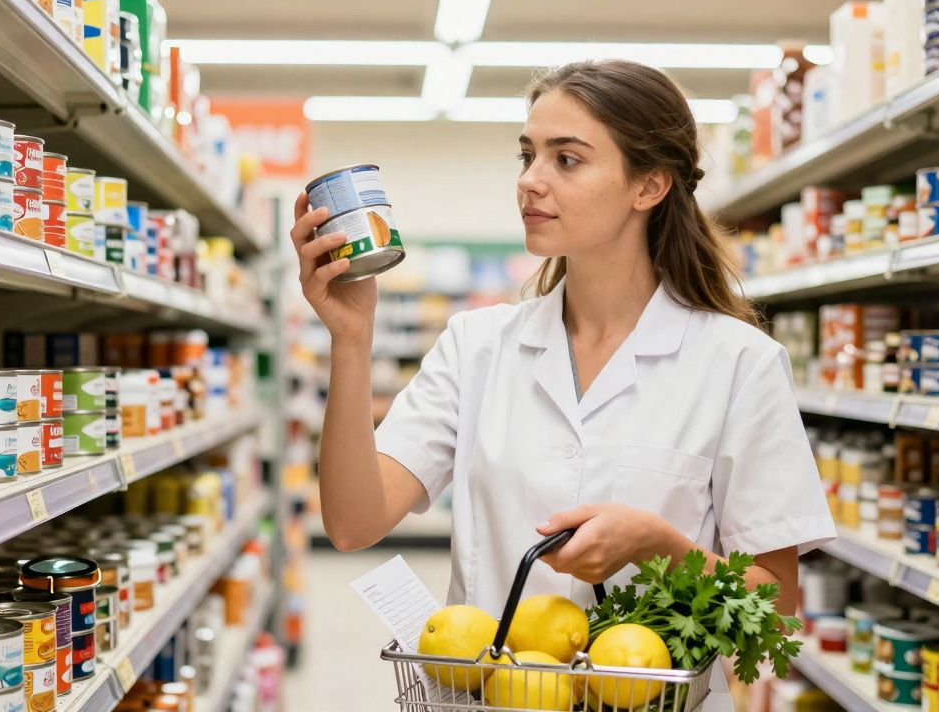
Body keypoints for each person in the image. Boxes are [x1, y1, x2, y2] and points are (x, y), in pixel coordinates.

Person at [290, 59, 834, 696]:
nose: (529, 181)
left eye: (566, 159)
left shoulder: (739, 364)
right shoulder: (476, 346)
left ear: (649, 186)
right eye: (528, 156)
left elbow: (773, 613)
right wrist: (351, 339)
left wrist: (657, 546)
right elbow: (354, 523)